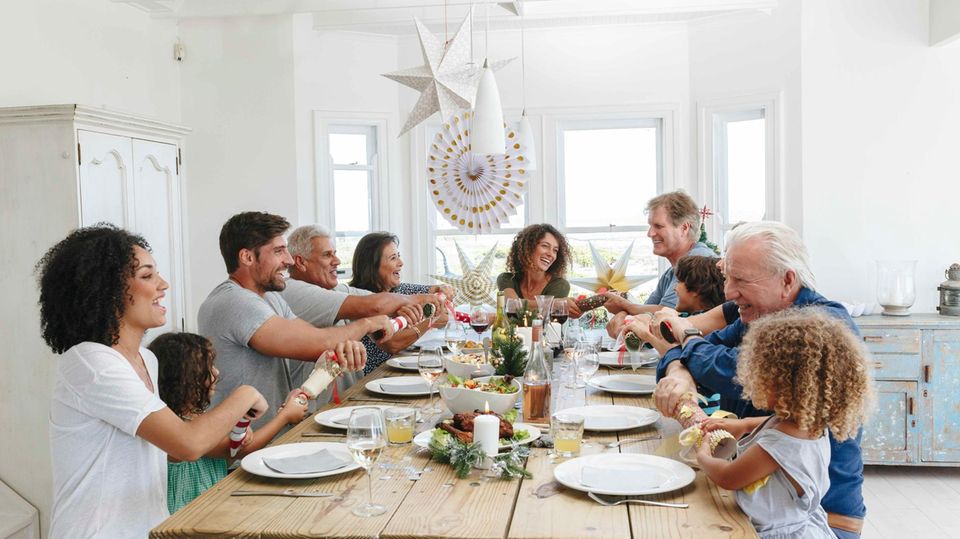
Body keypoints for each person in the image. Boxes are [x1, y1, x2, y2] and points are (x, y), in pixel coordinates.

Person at [623, 221, 866, 538]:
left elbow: (724, 370)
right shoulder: (757, 314)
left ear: (787, 280)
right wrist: (681, 367)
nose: (728, 292)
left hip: (819, 521)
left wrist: (684, 350)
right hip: (756, 506)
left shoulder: (819, 330)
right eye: (728, 277)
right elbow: (699, 356)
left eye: (740, 280)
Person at [37, 225, 269, 537]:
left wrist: (224, 431)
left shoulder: (146, 359)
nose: (163, 284)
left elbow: (165, 450)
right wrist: (245, 394)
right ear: (108, 290)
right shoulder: (92, 362)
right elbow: (187, 445)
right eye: (147, 276)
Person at [199, 212, 395, 429]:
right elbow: (318, 343)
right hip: (248, 445)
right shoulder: (235, 301)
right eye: (278, 251)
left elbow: (316, 339)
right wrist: (367, 324)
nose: (289, 260)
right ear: (247, 257)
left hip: (277, 436)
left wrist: (340, 349)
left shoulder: (269, 297)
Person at [695, 309, 872, 539]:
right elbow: (772, 423)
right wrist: (744, 425)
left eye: (759, 374)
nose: (752, 380)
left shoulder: (779, 445)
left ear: (784, 383)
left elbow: (728, 477)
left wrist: (703, 455)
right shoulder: (807, 424)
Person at [150, 332, 310, 514]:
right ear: (183, 379)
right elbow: (238, 451)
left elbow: (235, 444)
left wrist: (242, 432)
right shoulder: (183, 428)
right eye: (206, 367)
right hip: (190, 515)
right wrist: (285, 417)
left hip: (210, 506)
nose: (216, 372)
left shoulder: (197, 419)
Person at [283, 225, 448, 387]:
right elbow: (374, 306)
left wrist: (410, 304)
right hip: (317, 402)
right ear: (301, 262)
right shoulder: (293, 290)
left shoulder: (336, 289)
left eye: (335, 254)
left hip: (351, 395)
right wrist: (420, 307)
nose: (337, 261)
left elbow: (378, 300)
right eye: (327, 255)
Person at [604, 191, 716, 328]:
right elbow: (645, 313)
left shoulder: (700, 262)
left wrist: (624, 306)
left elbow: (666, 314)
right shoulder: (670, 274)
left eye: (658, 226)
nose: (650, 233)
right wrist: (626, 311)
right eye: (650, 226)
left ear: (684, 228)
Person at [348, 231, 453, 373]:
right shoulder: (360, 299)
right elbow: (392, 343)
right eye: (393, 258)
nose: (401, 263)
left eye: (399, 256)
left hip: (400, 369)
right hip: (375, 376)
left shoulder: (398, 289)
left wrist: (444, 290)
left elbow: (435, 293)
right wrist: (430, 319)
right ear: (372, 266)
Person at [496, 223, 572, 302]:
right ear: (528, 247)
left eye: (555, 250)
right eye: (545, 246)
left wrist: (553, 304)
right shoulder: (507, 279)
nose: (551, 254)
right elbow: (512, 304)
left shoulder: (560, 285)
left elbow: (515, 305)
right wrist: (553, 304)